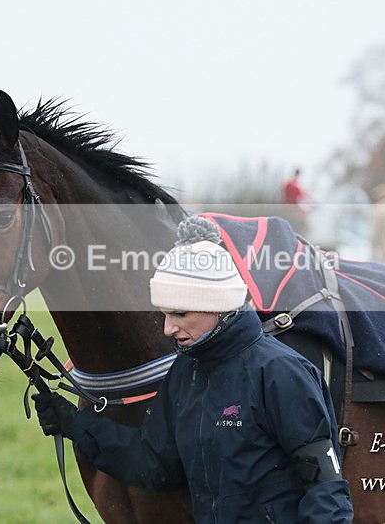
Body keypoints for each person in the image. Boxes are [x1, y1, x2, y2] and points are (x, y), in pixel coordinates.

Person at [32, 215, 353, 523]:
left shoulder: (282, 374)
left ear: (218, 304)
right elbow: (153, 464)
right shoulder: (184, 373)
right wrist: (77, 425)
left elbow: (325, 491)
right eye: (164, 314)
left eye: (180, 314)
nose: (168, 329)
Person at [281, 168, 310, 236]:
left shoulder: (290, 183)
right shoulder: (292, 184)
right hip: (291, 206)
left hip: (289, 206)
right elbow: (301, 194)